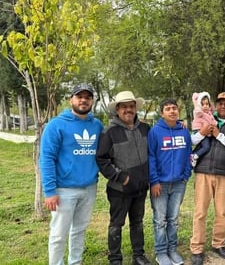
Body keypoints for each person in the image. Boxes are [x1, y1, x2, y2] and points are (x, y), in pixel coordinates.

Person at [39, 83, 104, 265]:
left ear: (92, 101)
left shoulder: (97, 125)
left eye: (87, 97)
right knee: (59, 234)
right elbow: (46, 158)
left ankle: (76, 262)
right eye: (79, 96)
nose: (83, 100)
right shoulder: (56, 125)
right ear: (71, 100)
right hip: (63, 190)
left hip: (89, 188)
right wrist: (50, 191)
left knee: (79, 230)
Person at [96, 91, 152, 265]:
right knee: (116, 224)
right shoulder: (109, 132)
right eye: (124, 107)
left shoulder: (145, 128)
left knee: (138, 222)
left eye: (131, 106)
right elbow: (101, 159)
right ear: (117, 110)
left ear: (135, 108)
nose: (129, 110)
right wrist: (121, 177)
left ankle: (138, 256)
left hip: (141, 187)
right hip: (119, 190)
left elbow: (152, 154)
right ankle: (115, 259)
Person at [190, 92, 225, 265]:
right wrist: (203, 132)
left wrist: (219, 135)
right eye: (220, 103)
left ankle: (218, 244)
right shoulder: (204, 117)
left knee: (221, 212)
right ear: (216, 105)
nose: (223, 106)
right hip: (203, 172)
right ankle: (197, 248)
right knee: (200, 212)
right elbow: (192, 139)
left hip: (224, 173)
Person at [148, 99, 192, 265]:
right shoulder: (155, 132)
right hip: (160, 184)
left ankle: (172, 249)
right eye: (168, 109)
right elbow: (151, 157)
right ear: (162, 113)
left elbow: (189, 153)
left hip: (179, 183)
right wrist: (154, 181)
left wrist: (186, 175)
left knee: (173, 218)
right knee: (160, 220)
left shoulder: (184, 132)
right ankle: (161, 252)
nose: (172, 111)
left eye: (174, 108)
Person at [190, 92, 217, 167]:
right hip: (199, 130)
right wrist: (196, 104)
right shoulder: (199, 112)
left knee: (201, 146)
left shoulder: (209, 113)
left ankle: (192, 154)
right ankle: (195, 156)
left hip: (206, 131)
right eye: (203, 104)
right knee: (206, 147)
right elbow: (197, 110)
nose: (205, 106)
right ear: (199, 105)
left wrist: (215, 123)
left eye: (207, 104)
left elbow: (212, 120)